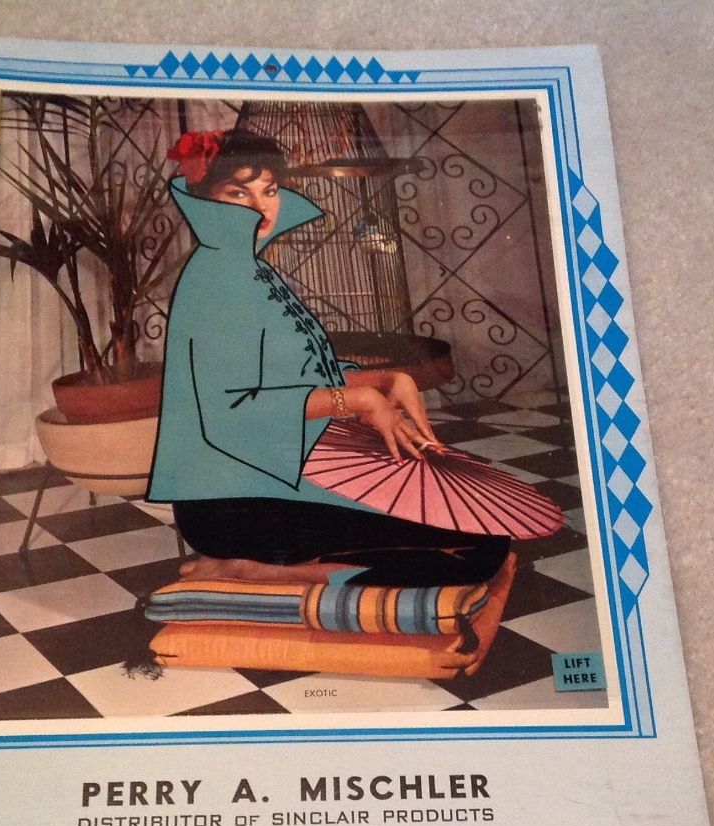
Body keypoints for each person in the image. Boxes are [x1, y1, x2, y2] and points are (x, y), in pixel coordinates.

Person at [146, 128, 511, 588]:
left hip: (277, 473)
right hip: (234, 500)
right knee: (481, 547)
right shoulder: (216, 281)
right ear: (205, 198)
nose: (260, 207)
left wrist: (384, 381)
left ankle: (288, 562)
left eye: (269, 190)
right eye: (238, 193)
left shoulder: (251, 269)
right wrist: (356, 400)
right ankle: (252, 569)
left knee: (483, 529)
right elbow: (228, 413)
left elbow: (298, 376)